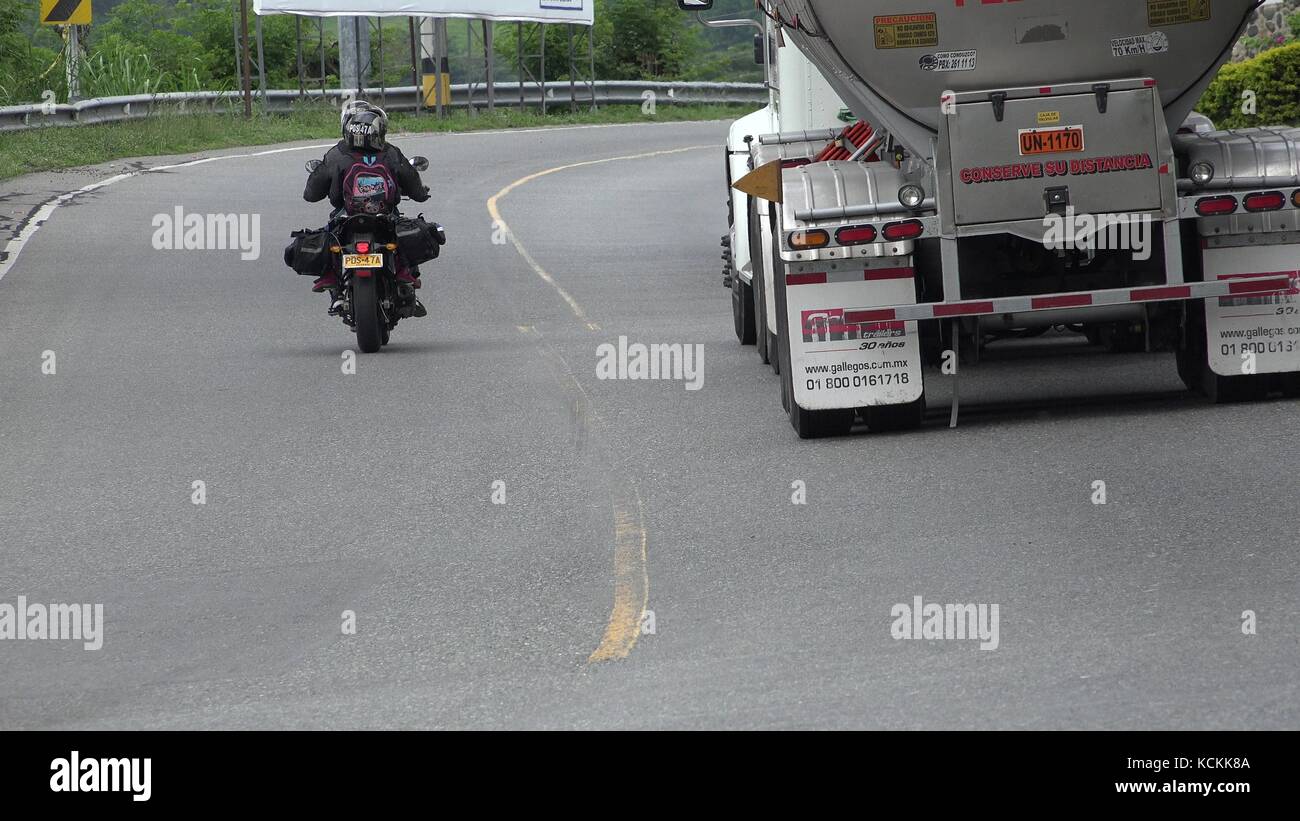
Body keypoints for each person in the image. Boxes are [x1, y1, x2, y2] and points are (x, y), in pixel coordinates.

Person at [303, 102, 431, 312]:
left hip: (347, 215)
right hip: (385, 213)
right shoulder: (390, 153)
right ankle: (405, 277)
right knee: (402, 230)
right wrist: (420, 194)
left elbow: (311, 194)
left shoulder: (337, 154)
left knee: (331, 234)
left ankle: (334, 286)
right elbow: (414, 185)